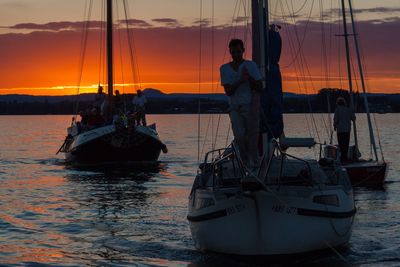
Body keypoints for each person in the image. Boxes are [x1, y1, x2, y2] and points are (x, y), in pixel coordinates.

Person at [220, 39, 263, 168]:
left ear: (243, 51)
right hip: (234, 107)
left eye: (238, 51)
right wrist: (240, 80)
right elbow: (228, 91)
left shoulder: (251, 66)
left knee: (252, 136)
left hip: (249, 106)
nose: (236, 55)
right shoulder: (224, 69)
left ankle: (253, 160)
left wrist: (249, 77)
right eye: (233, 52)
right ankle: (244, 160)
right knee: (239, 135)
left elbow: (260, 87)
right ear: (230, 52)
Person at [334, 97, 356, 162]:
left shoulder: (337, 110)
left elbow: (336, 120)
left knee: (341, 145)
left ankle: (343, 158)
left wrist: (334, 126)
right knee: (346, 145)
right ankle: (345, 158)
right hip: (347, 130)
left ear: (337, 103)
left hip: (340, 130)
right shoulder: (348, 110)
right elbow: (354, 119)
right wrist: (353, 111)